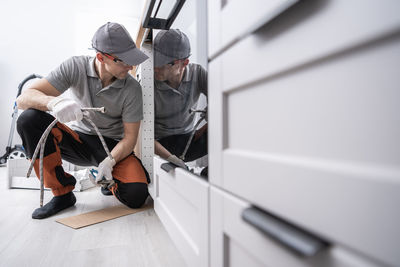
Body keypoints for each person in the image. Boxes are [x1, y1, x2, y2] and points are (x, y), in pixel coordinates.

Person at [16, 22, 150, 219]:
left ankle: (109, 183)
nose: (131, 67)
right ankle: (62, 194)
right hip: (77, 139)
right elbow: (23, 99)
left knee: (137, 195)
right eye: (124, 61)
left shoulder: (132, 89)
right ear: (101, 57)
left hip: (110, 147)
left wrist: (109, 162)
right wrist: (54, 102)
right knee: (29, 119)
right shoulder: (75, 67)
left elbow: (130, 139)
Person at [153, 29, 208, 170]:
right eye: (154, 60)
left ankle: (212, 174)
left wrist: (206, 126)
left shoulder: (198, 73)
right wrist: (169, 158)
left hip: (188, 138)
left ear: (184, 63)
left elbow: (224, 101)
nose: (155, 67)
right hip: (159, 144)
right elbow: (141, 134)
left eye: (161, 63)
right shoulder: (149, 81)